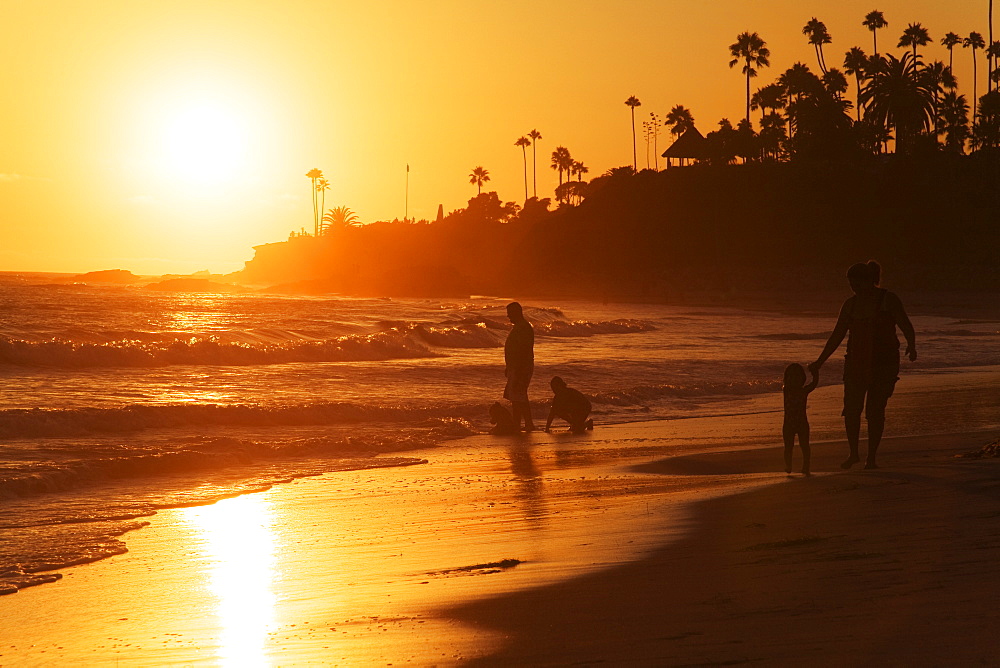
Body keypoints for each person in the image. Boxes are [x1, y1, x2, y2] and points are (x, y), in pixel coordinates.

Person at [809, 261, 917, 470]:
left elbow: (905, 324)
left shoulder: (888, 299)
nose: (854, 288)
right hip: (855, 364)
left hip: (884, 364)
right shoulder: (850, 305)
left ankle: (871, 457)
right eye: (851, 284)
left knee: (875, 412)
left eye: (857, 283)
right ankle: (854, 454)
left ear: (869, 280)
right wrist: (819, 362)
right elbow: (837, 336)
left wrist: (911, 345)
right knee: (851, 411)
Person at [503, 301, 535, 431]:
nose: (508, 317)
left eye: (510, 314)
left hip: (521, 368)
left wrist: (518, 370)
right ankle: (524, 423)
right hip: (517, 367)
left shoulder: (523, 328)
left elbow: (523, 350)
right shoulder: (521, 327)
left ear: (517, 313)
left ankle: (520, 424)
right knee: (519, 396)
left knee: (517, 396)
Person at [783, 363, 818, 476]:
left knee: (804, 445)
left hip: (802, 423)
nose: (794, 380)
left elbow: (813, 384)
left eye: (797, 377)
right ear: (787, 379)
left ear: (802, 379)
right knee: (788, 446)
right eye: (791, 377)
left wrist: (816, 373)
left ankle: (806, 465)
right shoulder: (786, 389)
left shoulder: (803, 390)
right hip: (788, 424)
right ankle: (788, 465)